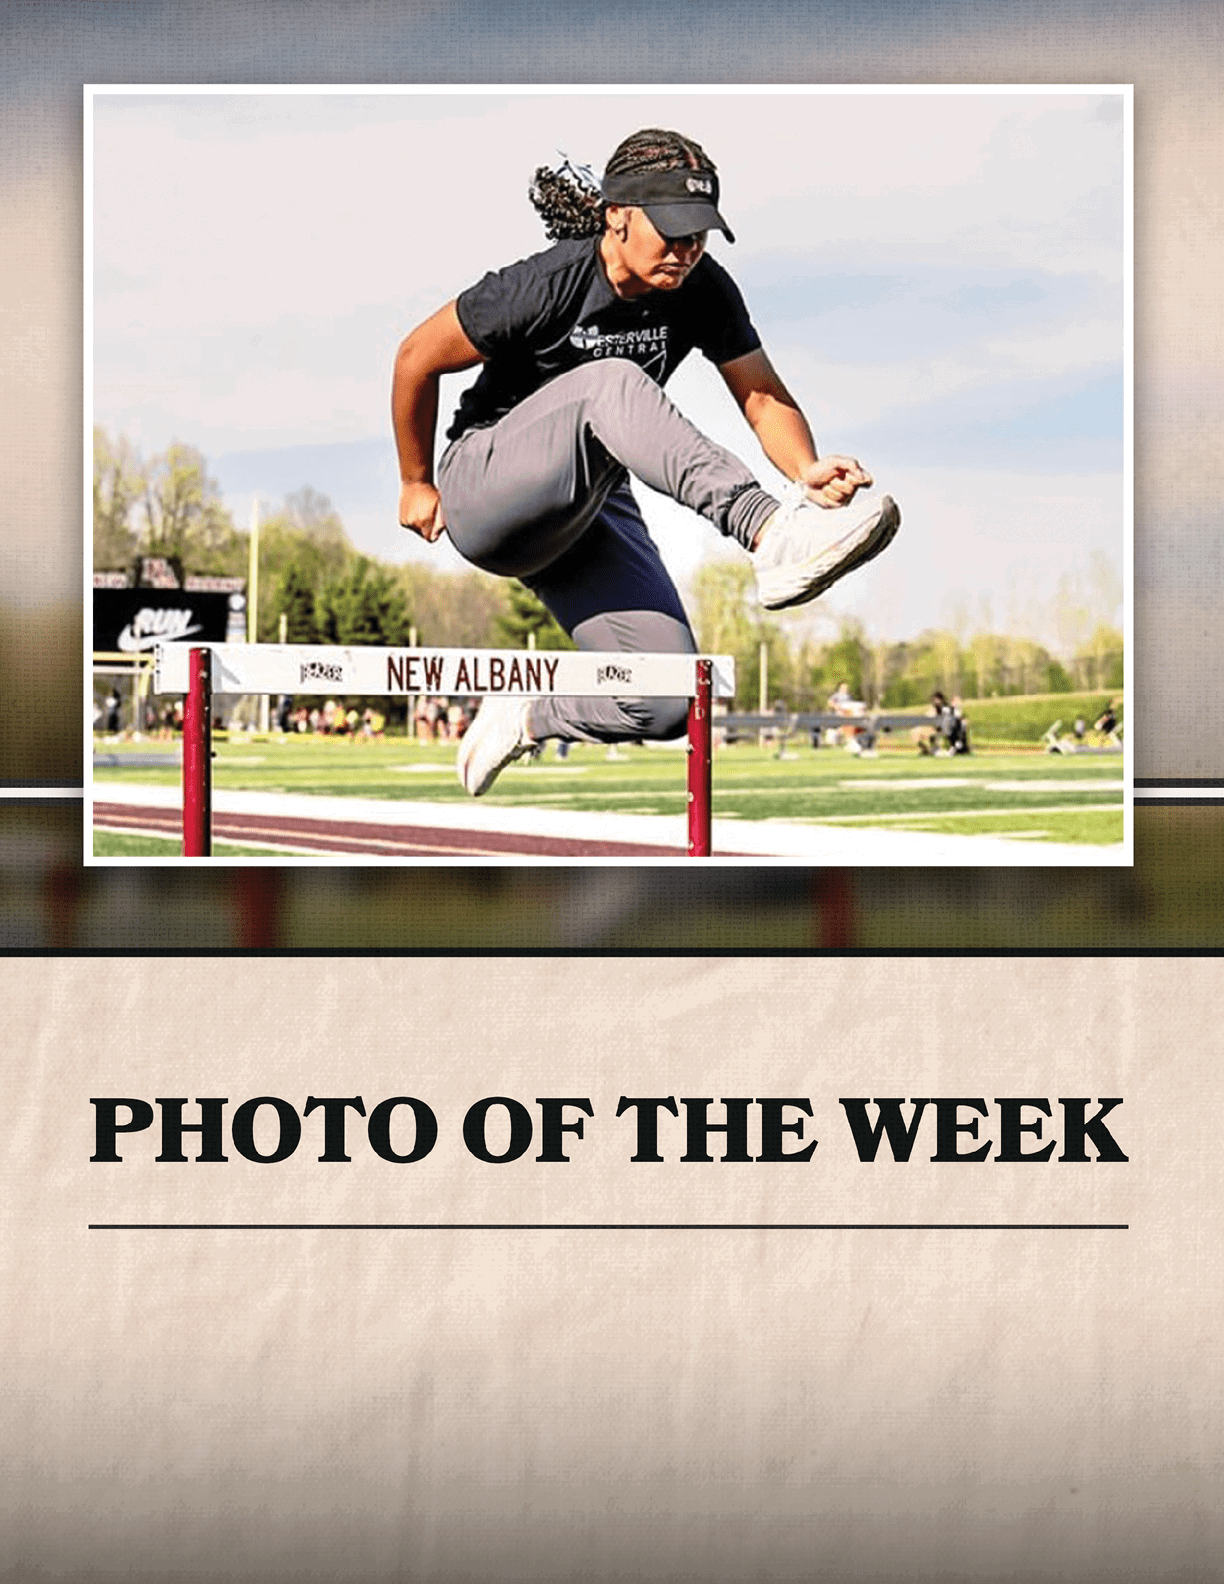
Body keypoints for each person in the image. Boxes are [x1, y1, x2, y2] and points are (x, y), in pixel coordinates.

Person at [392, 128, 900, 795]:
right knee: (612, 381)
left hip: (587, 509)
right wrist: (416, 481)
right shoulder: (545, 284)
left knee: (664, 695)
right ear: (618, 216)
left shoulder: (704, 290)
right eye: (673, 232)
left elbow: (760, 395)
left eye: (700, 234)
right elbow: (416, 357)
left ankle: (525, 717)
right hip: (485, 488)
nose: (687, 251)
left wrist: (803, 471)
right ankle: (767, 531)